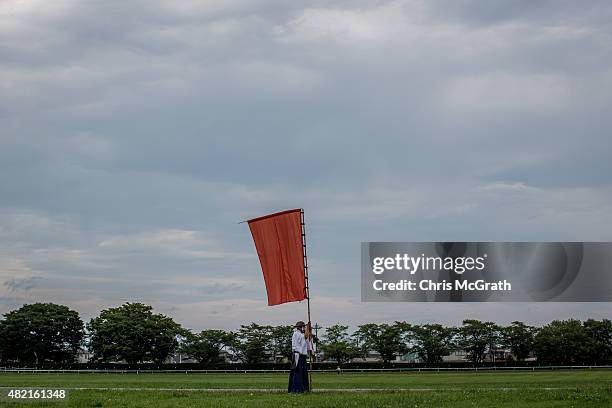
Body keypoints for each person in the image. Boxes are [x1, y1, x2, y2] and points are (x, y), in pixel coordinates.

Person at [288, 320, 310, 393]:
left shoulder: (300, 334)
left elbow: (307, 336)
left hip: (302, 356)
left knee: (303, 373)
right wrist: (307, 328)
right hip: (298, 356)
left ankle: (303, 388)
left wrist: (308, 328)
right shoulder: (297, 334)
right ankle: (296, 389)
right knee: (298, 373)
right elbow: (306, 336)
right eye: (303, 327)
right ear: (301, 327)